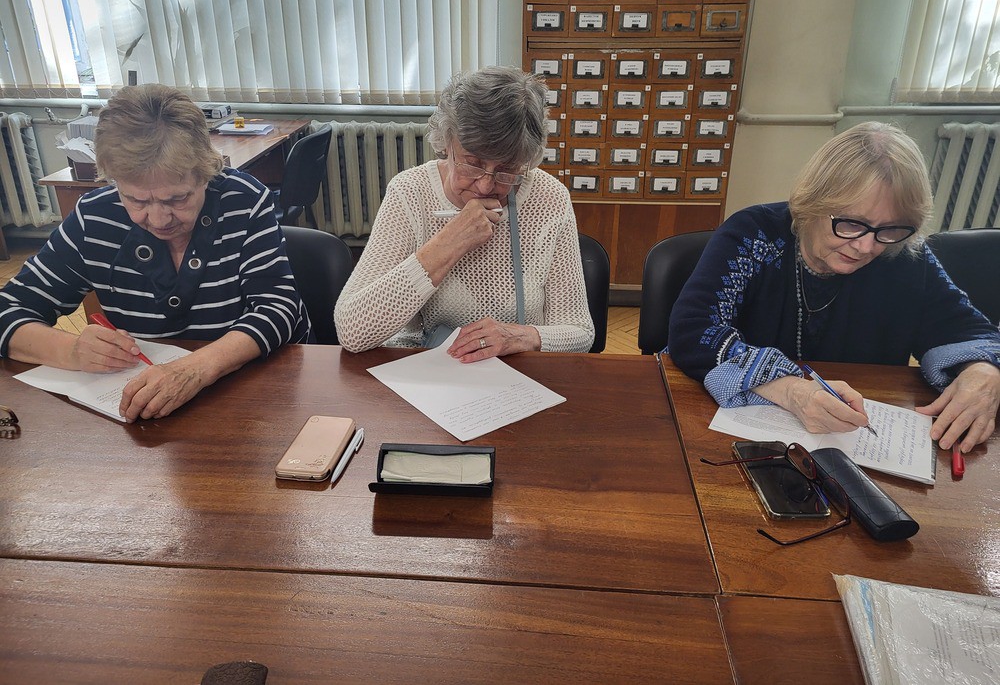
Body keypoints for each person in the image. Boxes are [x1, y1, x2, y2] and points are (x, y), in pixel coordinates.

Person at [669, 122, 1000, 453]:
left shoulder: (903, 253)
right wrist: (789, 389)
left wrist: (983, 371)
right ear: (814, 201)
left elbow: (970, 330)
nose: (866, 247)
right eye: (852, 223)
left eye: (889, 229)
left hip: (855, 446)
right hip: (736, 439)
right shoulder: (753, 234)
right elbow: (694, 330)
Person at [0, 84, 310, 421]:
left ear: (206, 172)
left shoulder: (244, 201)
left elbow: (278, 308)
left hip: (250, 396)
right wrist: (72, 350)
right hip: (149, 413)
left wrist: (195, 369)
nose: (159, 220)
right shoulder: (95, 217)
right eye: (136, 200)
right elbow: (9, 309)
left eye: (177, 198)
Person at [334, 66, 594, 359]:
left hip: (518, 373)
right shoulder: (410, 192)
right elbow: (352, 330)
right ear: (446, 143)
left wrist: (520, 337)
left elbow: (580, 332)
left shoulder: (549, 198)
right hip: (430, 369)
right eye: (472, 163)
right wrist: (450, 242)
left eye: (507, 170)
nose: (485, 185)